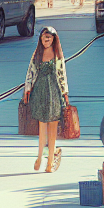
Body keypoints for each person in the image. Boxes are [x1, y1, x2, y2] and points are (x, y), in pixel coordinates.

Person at [24, 26, 69, 173]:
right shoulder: (37, 54)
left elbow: (62, 75)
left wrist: (65, 93)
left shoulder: (57, 55)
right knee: (42, 126)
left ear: (54, 39)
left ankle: (50, 161)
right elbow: (30, 72)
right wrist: (27, 89)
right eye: (44, 37)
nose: (46, 40)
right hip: (40, 92)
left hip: (55, 92)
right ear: (40, 39)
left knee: (53, 127)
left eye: (49, 38)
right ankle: (39, 157)